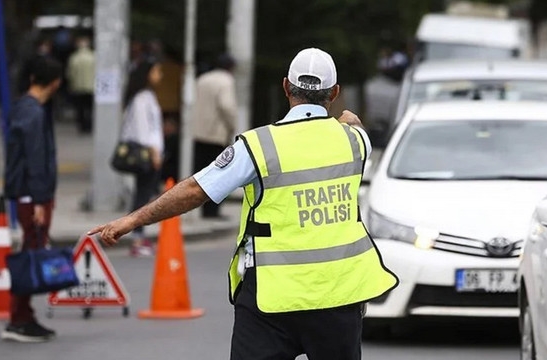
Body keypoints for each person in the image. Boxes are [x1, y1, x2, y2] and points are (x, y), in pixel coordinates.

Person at [89, 47, 399, 359]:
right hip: (338, 297)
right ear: (334, 92)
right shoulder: (355, 141)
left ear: (285, 87)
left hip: (271, 298)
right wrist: (349, 121)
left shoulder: (258, 146)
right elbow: (355, 125)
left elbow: (196, 190)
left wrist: (131, 221)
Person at [2, 57, 62, 343]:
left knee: (31, 250)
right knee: (30, 254)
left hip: (28, 193)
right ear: (55, 82)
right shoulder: (34, 113)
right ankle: (19, 319)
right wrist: (40, 200)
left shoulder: (24, 107)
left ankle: (23, 316)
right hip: (32, 195)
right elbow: (35, 159)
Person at [118, 60, 164, 257]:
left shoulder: (147, 96)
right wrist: (154, 153)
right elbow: (143, 129)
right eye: (156, 70)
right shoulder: (141, 98)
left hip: (151, 152)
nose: (159, 74)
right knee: (142, 195)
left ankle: (139, 235)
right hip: (146, 154)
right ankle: (137, 237)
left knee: (144, 193)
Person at [191, 53, 237, 219]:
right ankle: (213, 211)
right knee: (219, 173)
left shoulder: (202, 79)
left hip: (199, 132)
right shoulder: (226, 81)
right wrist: (232, 125)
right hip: (216, 133)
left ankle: (203, 209)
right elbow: (226, 105)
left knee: (202, 173)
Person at [67, 37, 95, 134]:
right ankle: (89, 125)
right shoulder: (93, 57)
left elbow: (71, 73)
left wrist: (72, 84)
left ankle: (82, 126)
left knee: (80, 108)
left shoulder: (74, 58)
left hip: (78, 87)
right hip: (91, 87)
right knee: (90, 108)